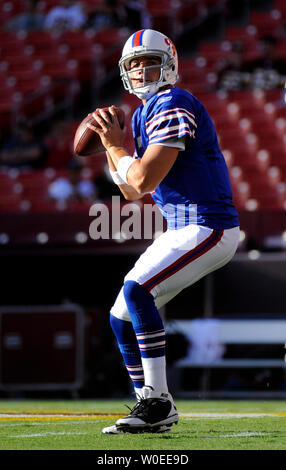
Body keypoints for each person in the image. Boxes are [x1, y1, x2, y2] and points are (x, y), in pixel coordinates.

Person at [87, 29, 240, 434]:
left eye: (148, 60)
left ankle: (158, 401)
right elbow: (131, 190)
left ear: (170, 64)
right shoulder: (142, 113)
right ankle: (148, 406)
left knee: (138, 292)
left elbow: (141, 181)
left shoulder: (174, 101)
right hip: (181, 226)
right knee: (120, 315)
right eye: (132, 63)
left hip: (207, 223)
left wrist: (114, 147)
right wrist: (111, 146)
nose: (140, 69)